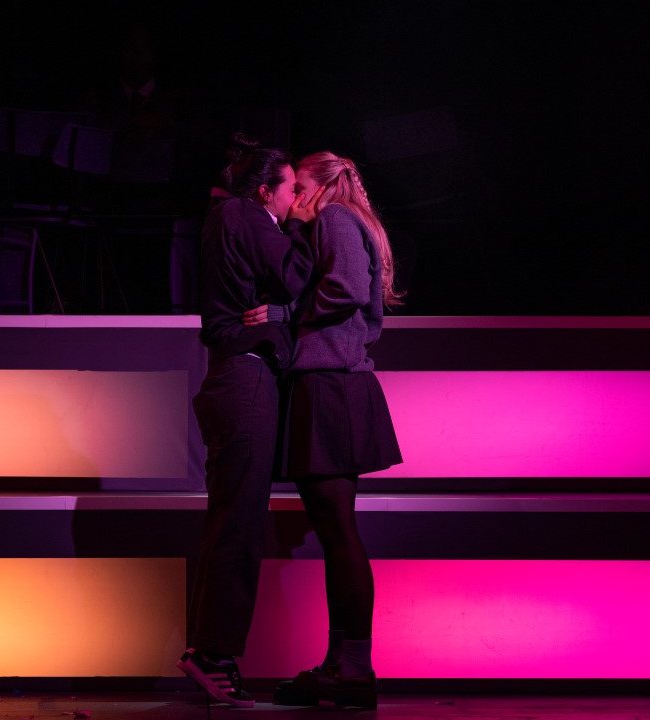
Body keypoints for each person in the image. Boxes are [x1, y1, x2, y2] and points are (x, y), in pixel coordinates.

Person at [249, 151, 403, 710]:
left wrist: (282, 315)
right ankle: (346, 663)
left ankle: (352, 668)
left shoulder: (336, 219)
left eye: (300, 188)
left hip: (331, 384)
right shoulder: (347, 221)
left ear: (322, 187)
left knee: (338, 530)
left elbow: (342, 287)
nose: (293, 199)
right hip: (337, 381)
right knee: (337, 528)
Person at [176, 144, 312, 707]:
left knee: (236, 515)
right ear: (265, 191)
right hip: (244, 377)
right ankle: (212, 655)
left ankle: (212, 651)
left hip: (242, 375)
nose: (297, 199)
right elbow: (296, 272)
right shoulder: (245, 215)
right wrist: (305, 228)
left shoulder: (234, 217)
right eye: (291, 189)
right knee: (240, 518)